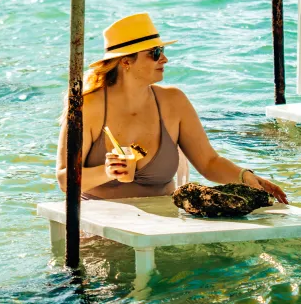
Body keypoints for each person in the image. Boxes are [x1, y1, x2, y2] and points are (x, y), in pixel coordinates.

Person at [56, 12, 287, 204]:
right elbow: (65, 180)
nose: (164, 59)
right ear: (126, 61)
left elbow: (208, 162)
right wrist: (105, 172)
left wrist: (245, 176)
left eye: (162, 51)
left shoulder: (173, 102)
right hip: (100, 225)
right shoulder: (88, 107)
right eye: (155, 53)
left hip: (164, 222)